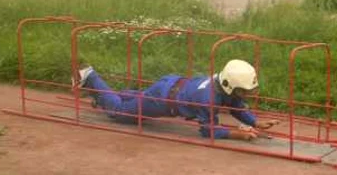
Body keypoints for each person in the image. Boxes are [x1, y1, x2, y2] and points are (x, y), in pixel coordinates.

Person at [73, 60, 279, 141]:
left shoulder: (220, 83)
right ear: (229, 85)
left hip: (171, 86)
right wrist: (238, 135)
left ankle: (102, 97)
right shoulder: (208, 99)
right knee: (120, 113)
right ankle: (91, 76)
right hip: (163, 100)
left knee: (136, 100)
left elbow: (235, 106)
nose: (246, 95)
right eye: (243, 91)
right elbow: (208, 131)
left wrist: (255, 122)